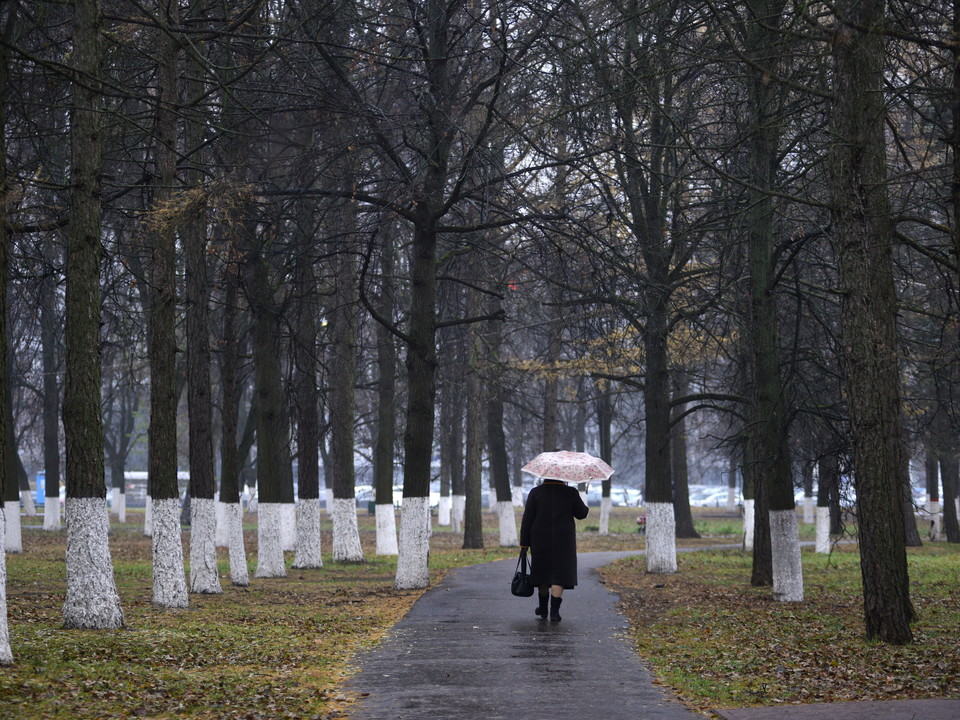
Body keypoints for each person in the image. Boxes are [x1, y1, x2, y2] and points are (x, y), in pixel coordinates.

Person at [519, 479, 589, 621]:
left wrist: (524, 544)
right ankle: (554, 612)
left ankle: (543, 608)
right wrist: (583, 499)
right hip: (564, 539)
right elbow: (581, 514)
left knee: (542, 572)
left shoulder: (536, 492)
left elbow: (527, 519)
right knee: (560, 573)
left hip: (539, 538)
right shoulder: (571, 492)